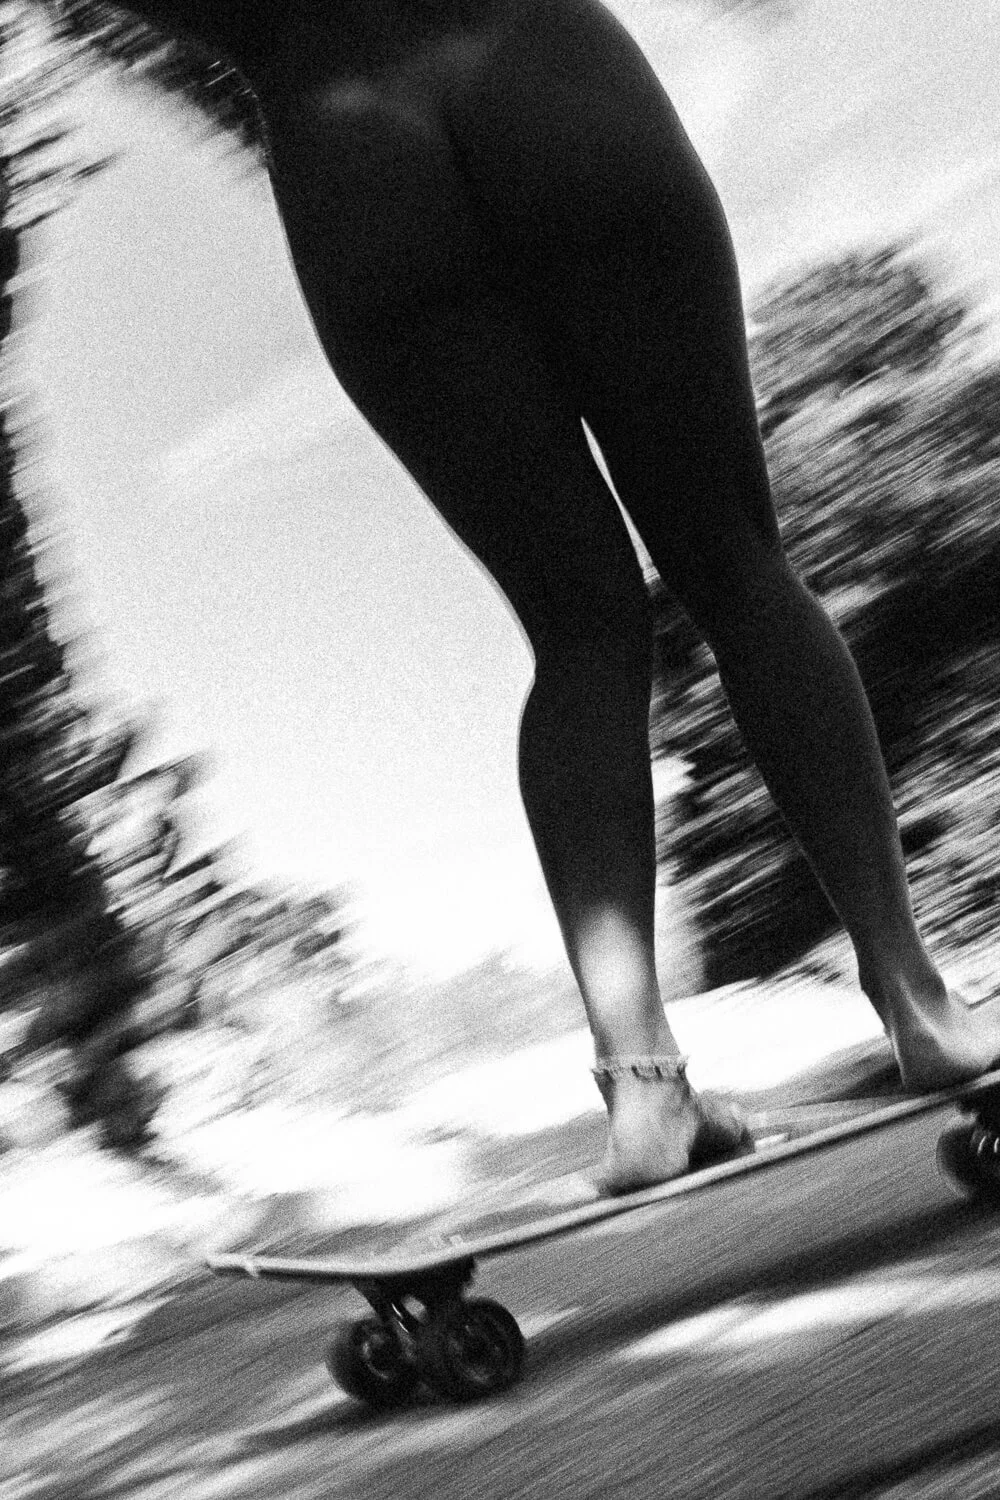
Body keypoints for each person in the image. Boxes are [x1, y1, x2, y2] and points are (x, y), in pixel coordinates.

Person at [80, 0, 1000, 1190]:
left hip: (347, 160)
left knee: (576, 632)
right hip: (549, 75)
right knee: (734, 558)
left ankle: (642, 1091)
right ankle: (914, 1000)